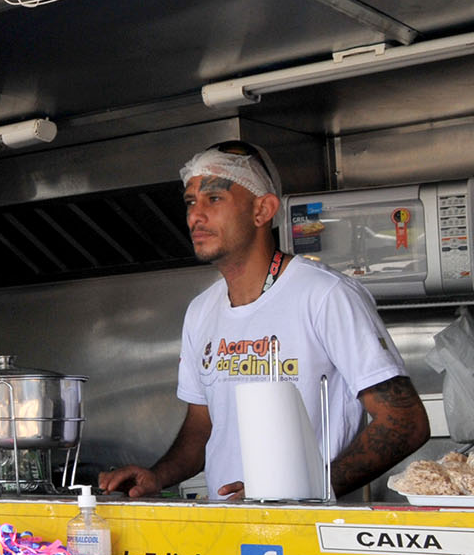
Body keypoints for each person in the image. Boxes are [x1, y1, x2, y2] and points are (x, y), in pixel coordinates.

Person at [99, 140, 429, 501]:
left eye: (214, 199)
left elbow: (404, 421)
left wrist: (303, 489)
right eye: (191, 202)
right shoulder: (201, 311)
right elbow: (203, 427)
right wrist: (157, 476)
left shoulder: (325, 295)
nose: (196, 216)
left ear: (263, 210)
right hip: (226, 534)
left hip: (309, 540)